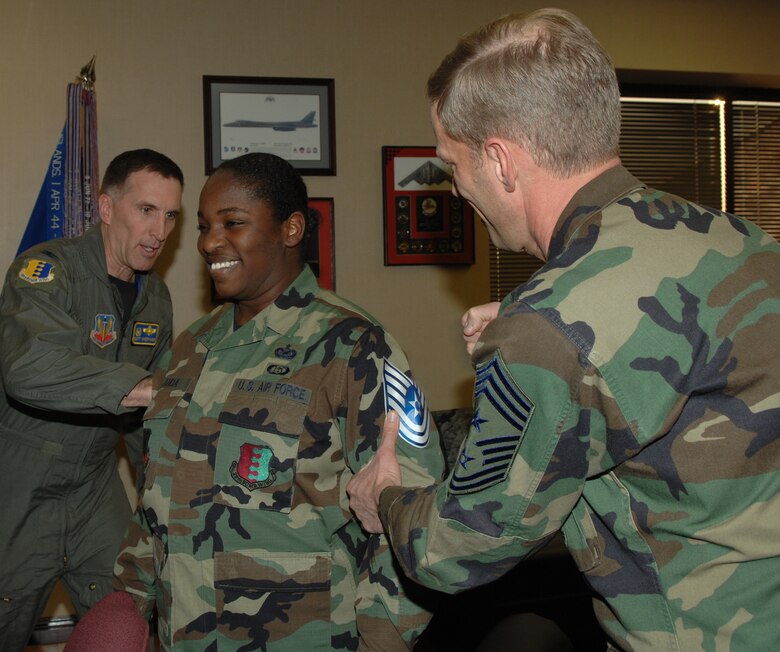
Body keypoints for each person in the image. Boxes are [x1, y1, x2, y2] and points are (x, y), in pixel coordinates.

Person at [347, 8, 780, 651]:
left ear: (499, 161)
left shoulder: (551, 327)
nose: (456, 186)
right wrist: (543, 327)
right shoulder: (744, 241)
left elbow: (460, 547)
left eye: (452, 163)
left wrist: (387, 496)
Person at [113, 152, 445, 651]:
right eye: (204, 226)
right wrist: (127, 607)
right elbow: (159, 499)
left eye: (233, 223)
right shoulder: (192, 346)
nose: (208, 242)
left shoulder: (353, 345)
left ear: (290, 229)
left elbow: (414, 517)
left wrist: (383, 644)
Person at [0, 148, 183, 651]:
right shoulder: (45, 272)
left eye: (171, 216)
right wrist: (139, 386)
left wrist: (165, 499)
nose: (160, 231)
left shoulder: (156, 298)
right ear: (106, 208)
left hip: (95, 484)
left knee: (129, 616)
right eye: (146, 210)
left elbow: (148, 424)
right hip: (20, 481)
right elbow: (27, 367)